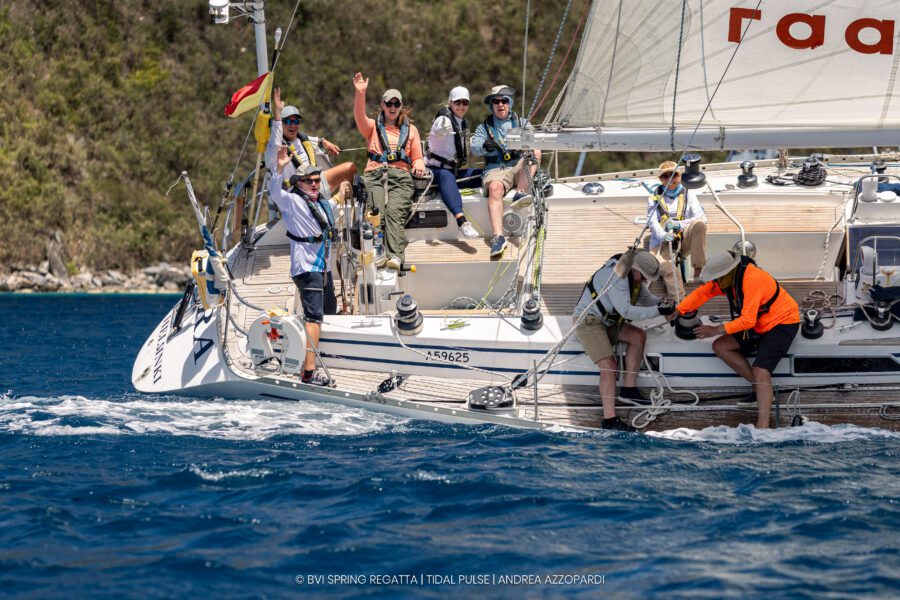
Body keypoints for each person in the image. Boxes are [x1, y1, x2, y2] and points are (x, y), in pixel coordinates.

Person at [676, 251, 800, 429]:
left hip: (782, 322)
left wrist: (715, 330)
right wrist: (678, 311)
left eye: (717, 278)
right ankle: (758, 388)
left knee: (761, 370)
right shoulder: (727, 279)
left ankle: (762, 427)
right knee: (720, 346)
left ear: (728, 272)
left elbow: (747, 320)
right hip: (758, 325)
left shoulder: (752, 278)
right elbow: (702, 294)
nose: (715, 283)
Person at [269, 146, 351, 387]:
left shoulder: (320, 202)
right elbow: (275, 192)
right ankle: (308, 372)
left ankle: (325, 356)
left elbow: (328, 213)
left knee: (329, 312)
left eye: (316, 180)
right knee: (314, 319)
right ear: (299, 183)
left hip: (322, 267)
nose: (314, 184)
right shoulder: (292, 201)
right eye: (308, 181)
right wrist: (280, 169)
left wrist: (340, 196)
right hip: (307, 268)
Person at [573, 249, 677, 432]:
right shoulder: (617, 277)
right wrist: (659, 312)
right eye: (644, 276)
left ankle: (629, 390)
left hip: (608, 322)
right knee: (609, 364)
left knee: (638, 336)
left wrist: (661, 303)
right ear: (635, 269)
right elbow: (626, 312)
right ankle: (609, 420)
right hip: (589, 322)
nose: (645, 281)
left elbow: (646, 297)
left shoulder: (632, 276)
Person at [353, 72, 428, 270]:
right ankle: (377, 252)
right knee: (377, 212)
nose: (392, 107)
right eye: (389, 104)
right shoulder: (372, 128)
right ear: (383, 106)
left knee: (395, 212)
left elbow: (417, 157)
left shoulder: (411, 130)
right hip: (375, 174)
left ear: (401, 106)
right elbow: (359, 117)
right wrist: (360, 94)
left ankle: (394, 255)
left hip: (401, 177)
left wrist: (418, 164)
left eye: (396, 104)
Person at [471, 85, 541, 258]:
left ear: (509, 103)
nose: (500, 104)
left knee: (536, 151)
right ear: (491, 105)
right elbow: (473, 147)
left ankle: (521, 192)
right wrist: (483, 146)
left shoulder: (521, 122)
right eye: (496, 101)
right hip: (496, 169)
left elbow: (533, 138)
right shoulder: (483, 127)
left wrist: (523, 142)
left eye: (504, 101)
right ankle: (498, 238)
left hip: (519, 167)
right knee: (495, 188)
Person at [265, 87, 357, 201]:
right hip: (298, 192)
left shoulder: (302, 139)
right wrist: (277, 113)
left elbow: (314, 141)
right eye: (288, 121)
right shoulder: (277, 148)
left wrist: (324, 142)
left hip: (316, 182)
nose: (292, 125)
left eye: (296, 121)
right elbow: (275, 141)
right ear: (281, 124)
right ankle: (334, 202)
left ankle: (349, 207)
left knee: (350, 168)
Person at [426, 86, 482, 239]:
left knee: (483, 175)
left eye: (465, 103)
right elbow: (438, 129)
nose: (461, 106)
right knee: (446, 176)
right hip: (434, 172)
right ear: (450, 103)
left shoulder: (462, 123)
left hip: (452, 171)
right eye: (458, 103)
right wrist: (440, 130)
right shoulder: (443, 119)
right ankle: (461, 221)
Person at [647, 160, 708, 299]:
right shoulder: (653, 198)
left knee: (700, 225)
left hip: (684, 238)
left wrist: (679, 225)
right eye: (665, 176)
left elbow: (702, 217)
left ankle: (698, 273)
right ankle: (679, 300)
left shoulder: (688, 193)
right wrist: (663, 235)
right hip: (662, 242)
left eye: (674, 175)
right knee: (666, 268)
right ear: (660, 180)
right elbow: (652, 223)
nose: (670, 179)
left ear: (680, 176)